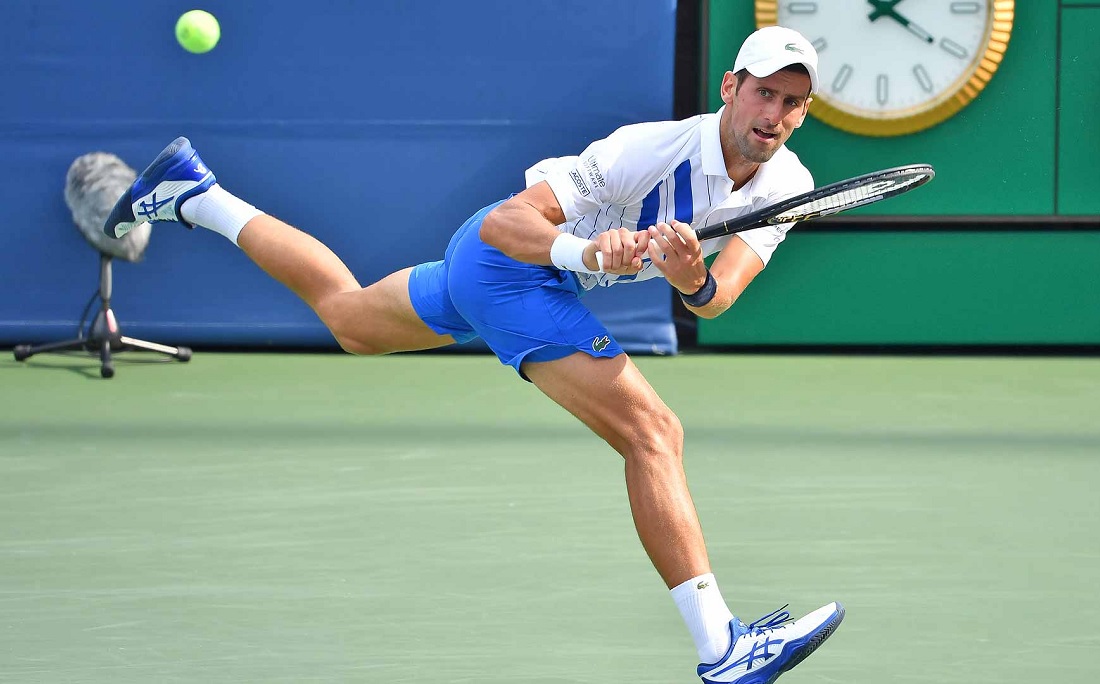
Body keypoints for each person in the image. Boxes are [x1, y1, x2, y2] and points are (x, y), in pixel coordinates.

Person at [105, 25, 843, 684]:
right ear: (730, 88)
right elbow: (504, 223)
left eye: (792, 104)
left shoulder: (791, 184)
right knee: (653, 434)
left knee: (351, 319)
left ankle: (195, 196)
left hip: (520, 279)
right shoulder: (649, 149)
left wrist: (693, 278)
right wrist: (586, 247)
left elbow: (715, 298)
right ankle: (723, 651)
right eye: (763, 94)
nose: (773, 115)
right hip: (507, 265)